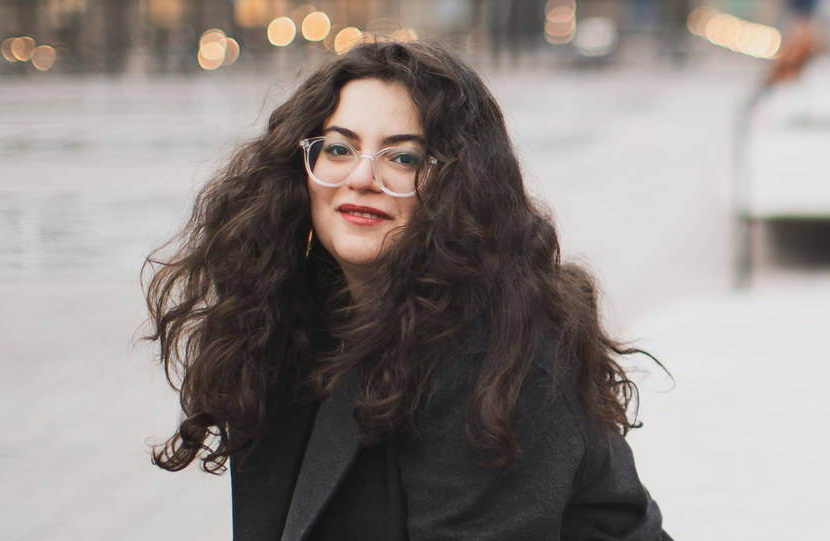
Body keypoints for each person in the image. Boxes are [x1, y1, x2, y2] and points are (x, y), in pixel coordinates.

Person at [144, 40, 671, 540]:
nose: (361, 177)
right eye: (338, 148)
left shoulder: (500, 356)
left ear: (458, 188)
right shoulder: (294, 316)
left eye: (403, 158)